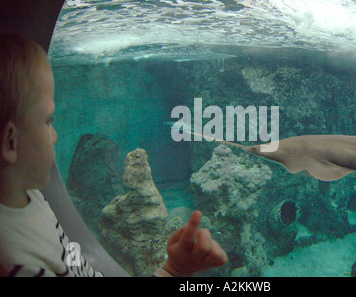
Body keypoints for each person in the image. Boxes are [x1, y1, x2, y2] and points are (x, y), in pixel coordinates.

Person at [0, 33, 228, 277]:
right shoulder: (19, 265)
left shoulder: (31, 197)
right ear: (10, 143)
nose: (55, 135)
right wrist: (175, 270)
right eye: (48, 121)